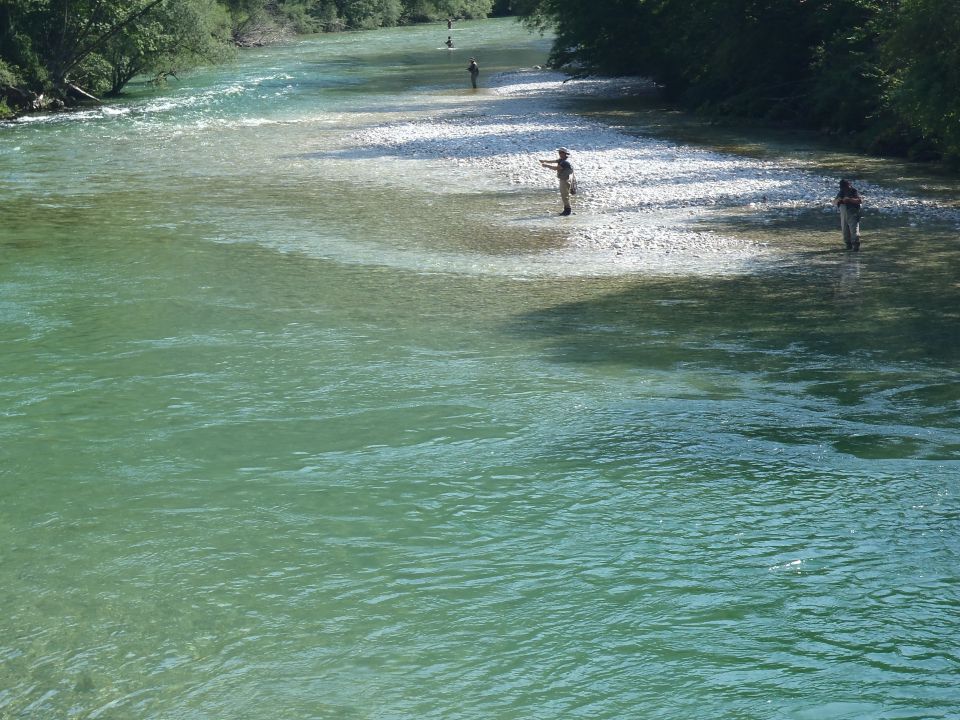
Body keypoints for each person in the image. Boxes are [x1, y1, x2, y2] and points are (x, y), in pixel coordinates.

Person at [539, 147, 575, 215]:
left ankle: (567, 210)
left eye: (561, 152)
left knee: (565, 195)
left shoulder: (564, 162)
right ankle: (566, 209)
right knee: (564, 195)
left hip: (565, 180)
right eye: (559, 152)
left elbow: (556, 168)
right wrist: (544, 160)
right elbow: (553, 161)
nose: (559, 154)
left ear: (565, 154)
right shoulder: (561, 160)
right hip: (564, 179)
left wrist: (546, 165)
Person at [835, 178, 863, 251]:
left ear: (849, 185)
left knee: (854, 230)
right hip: (844, 213)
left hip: (853, 213)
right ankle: (848, 245)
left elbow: (860, 201)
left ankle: (856, 246)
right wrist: (839, 200)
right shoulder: (841, 191)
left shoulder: (853, 191)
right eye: (843, 187)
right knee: (845, 230)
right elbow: (834, 202)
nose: (845, 189)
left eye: (846, 187)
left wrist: (849, 200)